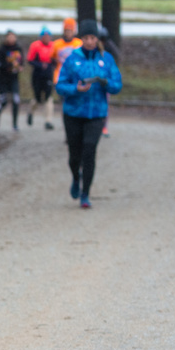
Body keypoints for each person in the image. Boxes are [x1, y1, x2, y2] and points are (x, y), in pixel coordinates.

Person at [55, 19, 122, 209]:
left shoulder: (106, 59)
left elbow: (117, 85)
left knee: (89, 151)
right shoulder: (72, 59)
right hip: (74, 113)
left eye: (93, 37)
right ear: (81, 38)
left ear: (97, 38)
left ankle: (86, 194)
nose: (90, 41)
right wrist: (75, 89)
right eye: (86, 38)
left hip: (97, 114)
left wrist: (106, 83)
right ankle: (76, 177)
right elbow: (60, 86)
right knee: (75, 154)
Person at [25, 26, 56, 130]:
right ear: (41, 37)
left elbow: (56, 60)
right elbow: (30, 60)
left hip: (48, 75)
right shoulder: (35, 46)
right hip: (37, 76)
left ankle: (48, 121)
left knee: (48, 98)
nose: (47, 38)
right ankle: (30, 111)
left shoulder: (53, 46)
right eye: (45, 36)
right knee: (38, 99)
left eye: (48, 36)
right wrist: (40, 65)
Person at [0, 30, 24, 131]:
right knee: (4, 101)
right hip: (3, 79)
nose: (11, 39)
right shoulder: (2, 49)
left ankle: (15, 124)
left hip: (14, 79)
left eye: (13, 37)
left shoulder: (18, 48)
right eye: (9, 37)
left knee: (16, 100)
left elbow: (21, 62)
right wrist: (10, 65)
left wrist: (20, 67)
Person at [51, 18, 82, 86]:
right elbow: (52, 59)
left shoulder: (79, 43)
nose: (68, 33)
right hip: (60, 76)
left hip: (76, 75)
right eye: (66, 31)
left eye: (70, 31)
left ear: (74, 31)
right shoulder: (56, 44)